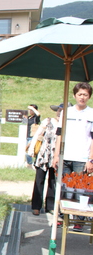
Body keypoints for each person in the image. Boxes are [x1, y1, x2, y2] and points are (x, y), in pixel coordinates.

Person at [53, 82, 93, 231]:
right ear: (75, 95)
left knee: (80, 189)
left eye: (85, 95)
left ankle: (79, 220)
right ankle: (63, 217)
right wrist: (56, 155)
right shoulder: (66, 112)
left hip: (82, 157)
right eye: (80, 94)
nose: (82, 97)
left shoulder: (91, 113)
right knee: (64, 188)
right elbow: (59, 134)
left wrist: (91, 159)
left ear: (89, 96)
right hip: (65, 155)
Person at [27, 104, 63, 215]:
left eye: (62, 111)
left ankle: (50, 206)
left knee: (53, 181)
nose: (59, 112)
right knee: (39, 180)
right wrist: (32, 148)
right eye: (59, 110)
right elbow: (37, 134)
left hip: (56, 157)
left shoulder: (66, 125)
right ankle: (36, 206)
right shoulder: (48, 121)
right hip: (44, 155)